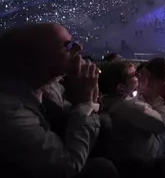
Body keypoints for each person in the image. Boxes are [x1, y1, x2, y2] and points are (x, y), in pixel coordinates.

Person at [0, 23, 117, 178]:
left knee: (105, 124)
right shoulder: (10, 113)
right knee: (103, 169)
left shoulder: (46, 85)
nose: (79, 48)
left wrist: (85, 99)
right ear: (36, 57)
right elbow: (67, 167)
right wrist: (86, 101)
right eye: (68, 45)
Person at [100, 61, 165, 164]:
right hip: (150, 151)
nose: (139, 76)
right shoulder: (133, 107)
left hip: (126, 149)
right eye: (134, 75)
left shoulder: (104, 102)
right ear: (121, 87)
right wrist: (155, 99)